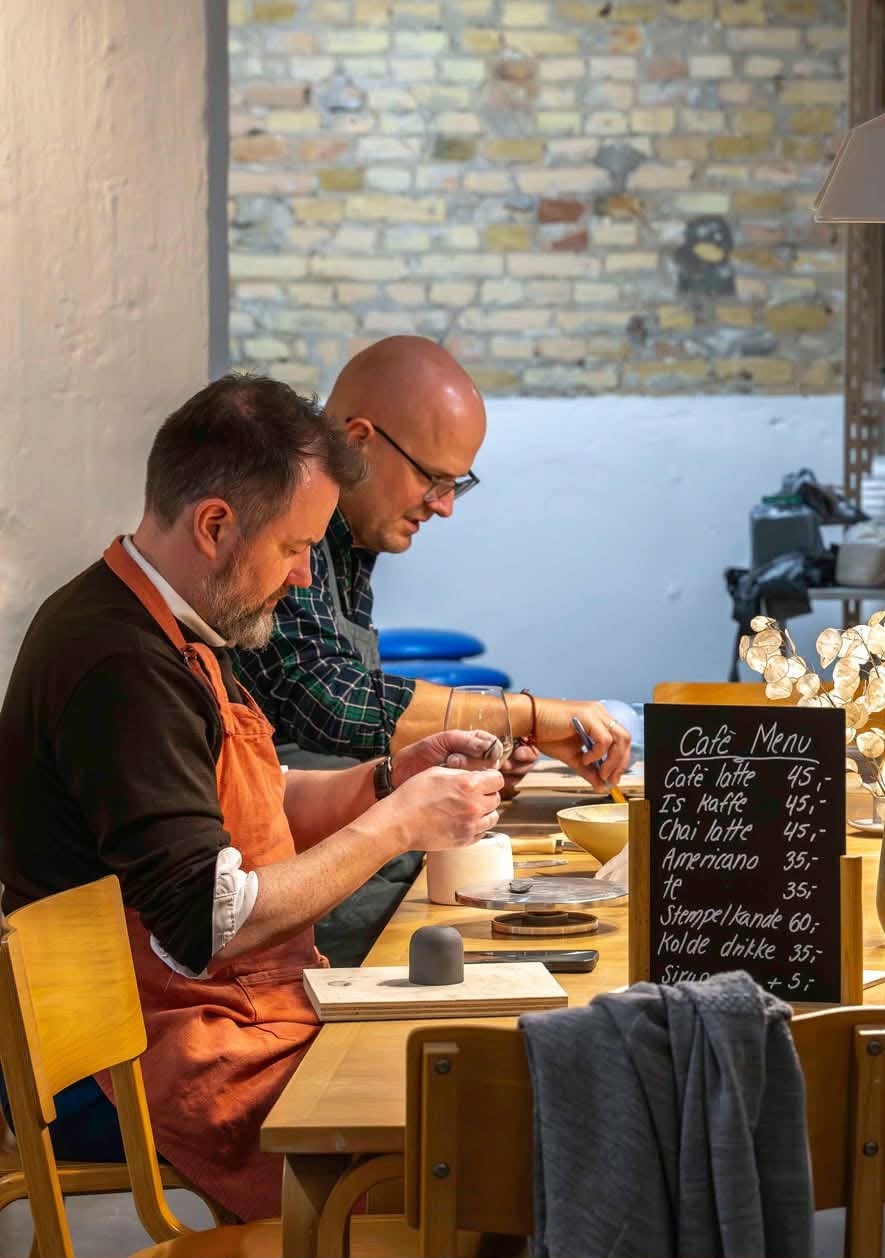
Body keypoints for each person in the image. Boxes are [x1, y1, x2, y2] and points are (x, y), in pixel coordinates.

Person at [0, 375, 505, 1219]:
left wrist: (388, 780)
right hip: (125, 1063)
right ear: (214, 526)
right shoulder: (120, 664)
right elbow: (211, 919)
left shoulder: (181, 620)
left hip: (233, 1015)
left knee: (466, 1085)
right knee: (462, 1143)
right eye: (294, 548)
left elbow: (256, 799)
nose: (306, 578)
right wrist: (395, 827)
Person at [233, 336, 631, 963]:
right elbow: (330, 699)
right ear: (358, 440)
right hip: (281, 902)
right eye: (433, 478)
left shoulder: (353, 541)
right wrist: (525, 714)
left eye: (456, 484)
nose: (444, 506)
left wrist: (451, 755)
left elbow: (341, 729)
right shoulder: (294, 529)